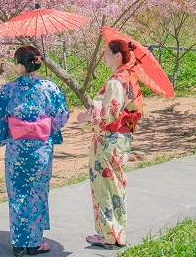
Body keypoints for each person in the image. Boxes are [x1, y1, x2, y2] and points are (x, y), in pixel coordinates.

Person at [0, 46, 69, 257]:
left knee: (17, 194)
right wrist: (49, 129)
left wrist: (4, 135)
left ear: (20, 65)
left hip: (16, 150)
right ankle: (34, 243)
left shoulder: (7, 90)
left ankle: (17, 244)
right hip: (41, 149)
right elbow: (61, 115)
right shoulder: (50, 88)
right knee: (37, 193)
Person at [76, 39, 143, 249]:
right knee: (117, 184)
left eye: (107, 52)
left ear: (117, 56)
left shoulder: (115, 82)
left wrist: (84, 117)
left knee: (103, 185)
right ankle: (118, 232)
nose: (104, 55)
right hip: (123, 140)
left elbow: (106, 116)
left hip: (107, 142)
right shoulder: (130, 79)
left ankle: (107, 234)